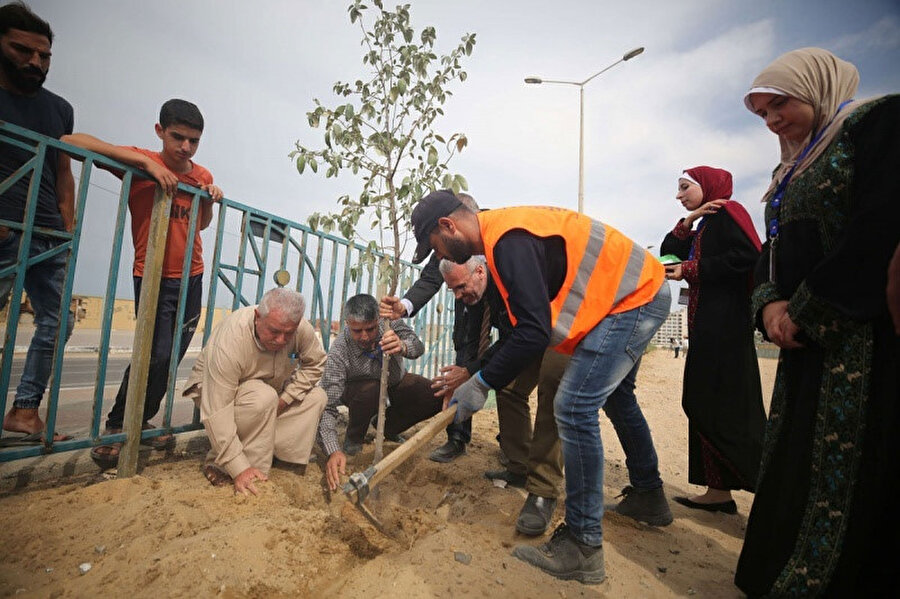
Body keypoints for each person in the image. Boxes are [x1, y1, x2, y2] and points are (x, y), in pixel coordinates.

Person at [411, 190, 672, 584]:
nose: (440, 255)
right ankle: (650, 495)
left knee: (572, 406)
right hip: (621, 301)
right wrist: (479, 377)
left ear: (448, 226)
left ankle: (583, 545)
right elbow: (526, 329)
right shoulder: (503, 236)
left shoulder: (507, 241)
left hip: (633, 299)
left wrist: (481, 382)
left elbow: (533, 333)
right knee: (612, 401)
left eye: (436, 246)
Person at [735, 48, 899, 596]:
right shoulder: (788, 170)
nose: (772, 120)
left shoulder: (873, 126)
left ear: (817, 87)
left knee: (851, 468)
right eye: (762, 114)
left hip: (859, 339)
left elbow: (878, 226)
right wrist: (769, 307)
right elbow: (772, 252)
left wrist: (807, 313)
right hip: (801, 345)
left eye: (780, 103)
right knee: (795, 457)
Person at [61, 99, 223, 465]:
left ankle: (142, 419)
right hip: (152, 276)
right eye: (177, 137)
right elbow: (72, 141)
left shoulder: (202, 176)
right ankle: (118, 424)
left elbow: (200, 225)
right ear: (160, 131)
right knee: (155, 354)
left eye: (193, 141)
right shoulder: (140, 160)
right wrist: (146, 164)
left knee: (170, 359)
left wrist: (210, 200)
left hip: (191, 277)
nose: (185, 147)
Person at [437, 256, 569, 537]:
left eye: (460, 287)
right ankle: (519, 467)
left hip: (562, 328)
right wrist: (469, 372)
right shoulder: (475, 294)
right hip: (530, 335)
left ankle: (543, 490)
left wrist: (477, 377)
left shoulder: (511, 272)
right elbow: (483, 339)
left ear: (480, 271)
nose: (459, 296)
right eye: (454, 291)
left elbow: (514, 337)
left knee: (552, 390)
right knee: (508, 387)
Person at [660, 166, 766, 515]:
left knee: (729, 409)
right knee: (704, 402)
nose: (679, 195)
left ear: (707, 185)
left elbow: (748, 258)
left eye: (684, 187)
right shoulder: (705, 223)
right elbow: (668, 250)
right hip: (706, 328)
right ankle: (718, 491)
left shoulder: (729, 214)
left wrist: (691, 270)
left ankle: (767, 487)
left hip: (726, 329)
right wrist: (688, 221)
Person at [0, 1, 75, 442]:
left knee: (58, 321)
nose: (34, 62)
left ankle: (25, 410)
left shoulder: (59, 109)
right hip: (5, 231)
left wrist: (68, 226)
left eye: (43, 55)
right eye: (22, 50)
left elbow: (64, 171)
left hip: (47, 234)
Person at [182, 288, 327, 495]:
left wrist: (285, 399)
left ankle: (276, 453)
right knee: (262, 397)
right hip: (220, 394)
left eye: (289, 334)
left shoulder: (298, 328)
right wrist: (238, 468)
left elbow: (316, 363)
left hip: (267, 395)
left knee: (316, 397)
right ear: (258, 317)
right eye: (274, 332)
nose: (281, 340)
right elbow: (217, 410)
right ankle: (226, 464)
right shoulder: (230, 341)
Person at [381, 192, 479, 463]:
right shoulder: (450, 242)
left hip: (502, 315)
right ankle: (457, 437)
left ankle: (510, 447)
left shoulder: (490, 237)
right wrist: (403, 305)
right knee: (460, 369)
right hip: (469, 315)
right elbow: (430, 279)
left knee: (505, 377)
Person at [319, 294, 441, 492]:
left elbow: (418, 346)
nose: (365, 336)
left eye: (370, 329)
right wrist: (333, 450)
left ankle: (389, 427)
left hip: (394, 381)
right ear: (347, 324)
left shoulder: (390, 321)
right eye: (357, 331)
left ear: (378, 321)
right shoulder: (339, 351)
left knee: (434, 394)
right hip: (360, 392)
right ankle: (354, 437)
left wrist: (402, 346)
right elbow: (328, 405)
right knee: (371, 390)